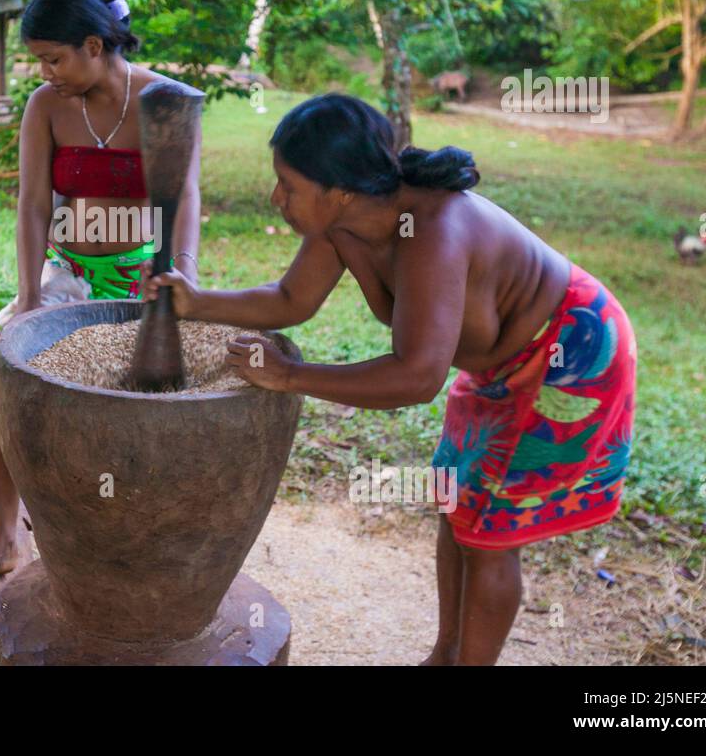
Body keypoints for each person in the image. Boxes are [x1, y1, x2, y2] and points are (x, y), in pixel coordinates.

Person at [144, 93, 637, 666]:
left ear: (342, 189)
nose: (276, 198)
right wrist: (197, 301)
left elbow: (417, 376)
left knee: (492, 534)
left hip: (568, 349)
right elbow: (290, 298)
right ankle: (445, 656)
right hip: (499, 364)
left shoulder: (433, 230)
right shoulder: (342, 223)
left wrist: (292, 376)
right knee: (460, 509)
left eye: (289, 186)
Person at [0, 0, 203, 597]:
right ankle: (4, 535)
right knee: (6, 373)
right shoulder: (46, 106)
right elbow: (33, 204)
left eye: (53, 58)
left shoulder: (166, 101)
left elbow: (184, 194)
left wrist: (179, 269)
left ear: (93, 44)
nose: (46, 71)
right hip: (67, 276)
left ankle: (136, 536)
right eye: (39, 60)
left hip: (145, 273)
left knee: (148, 397)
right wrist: (29, 294)